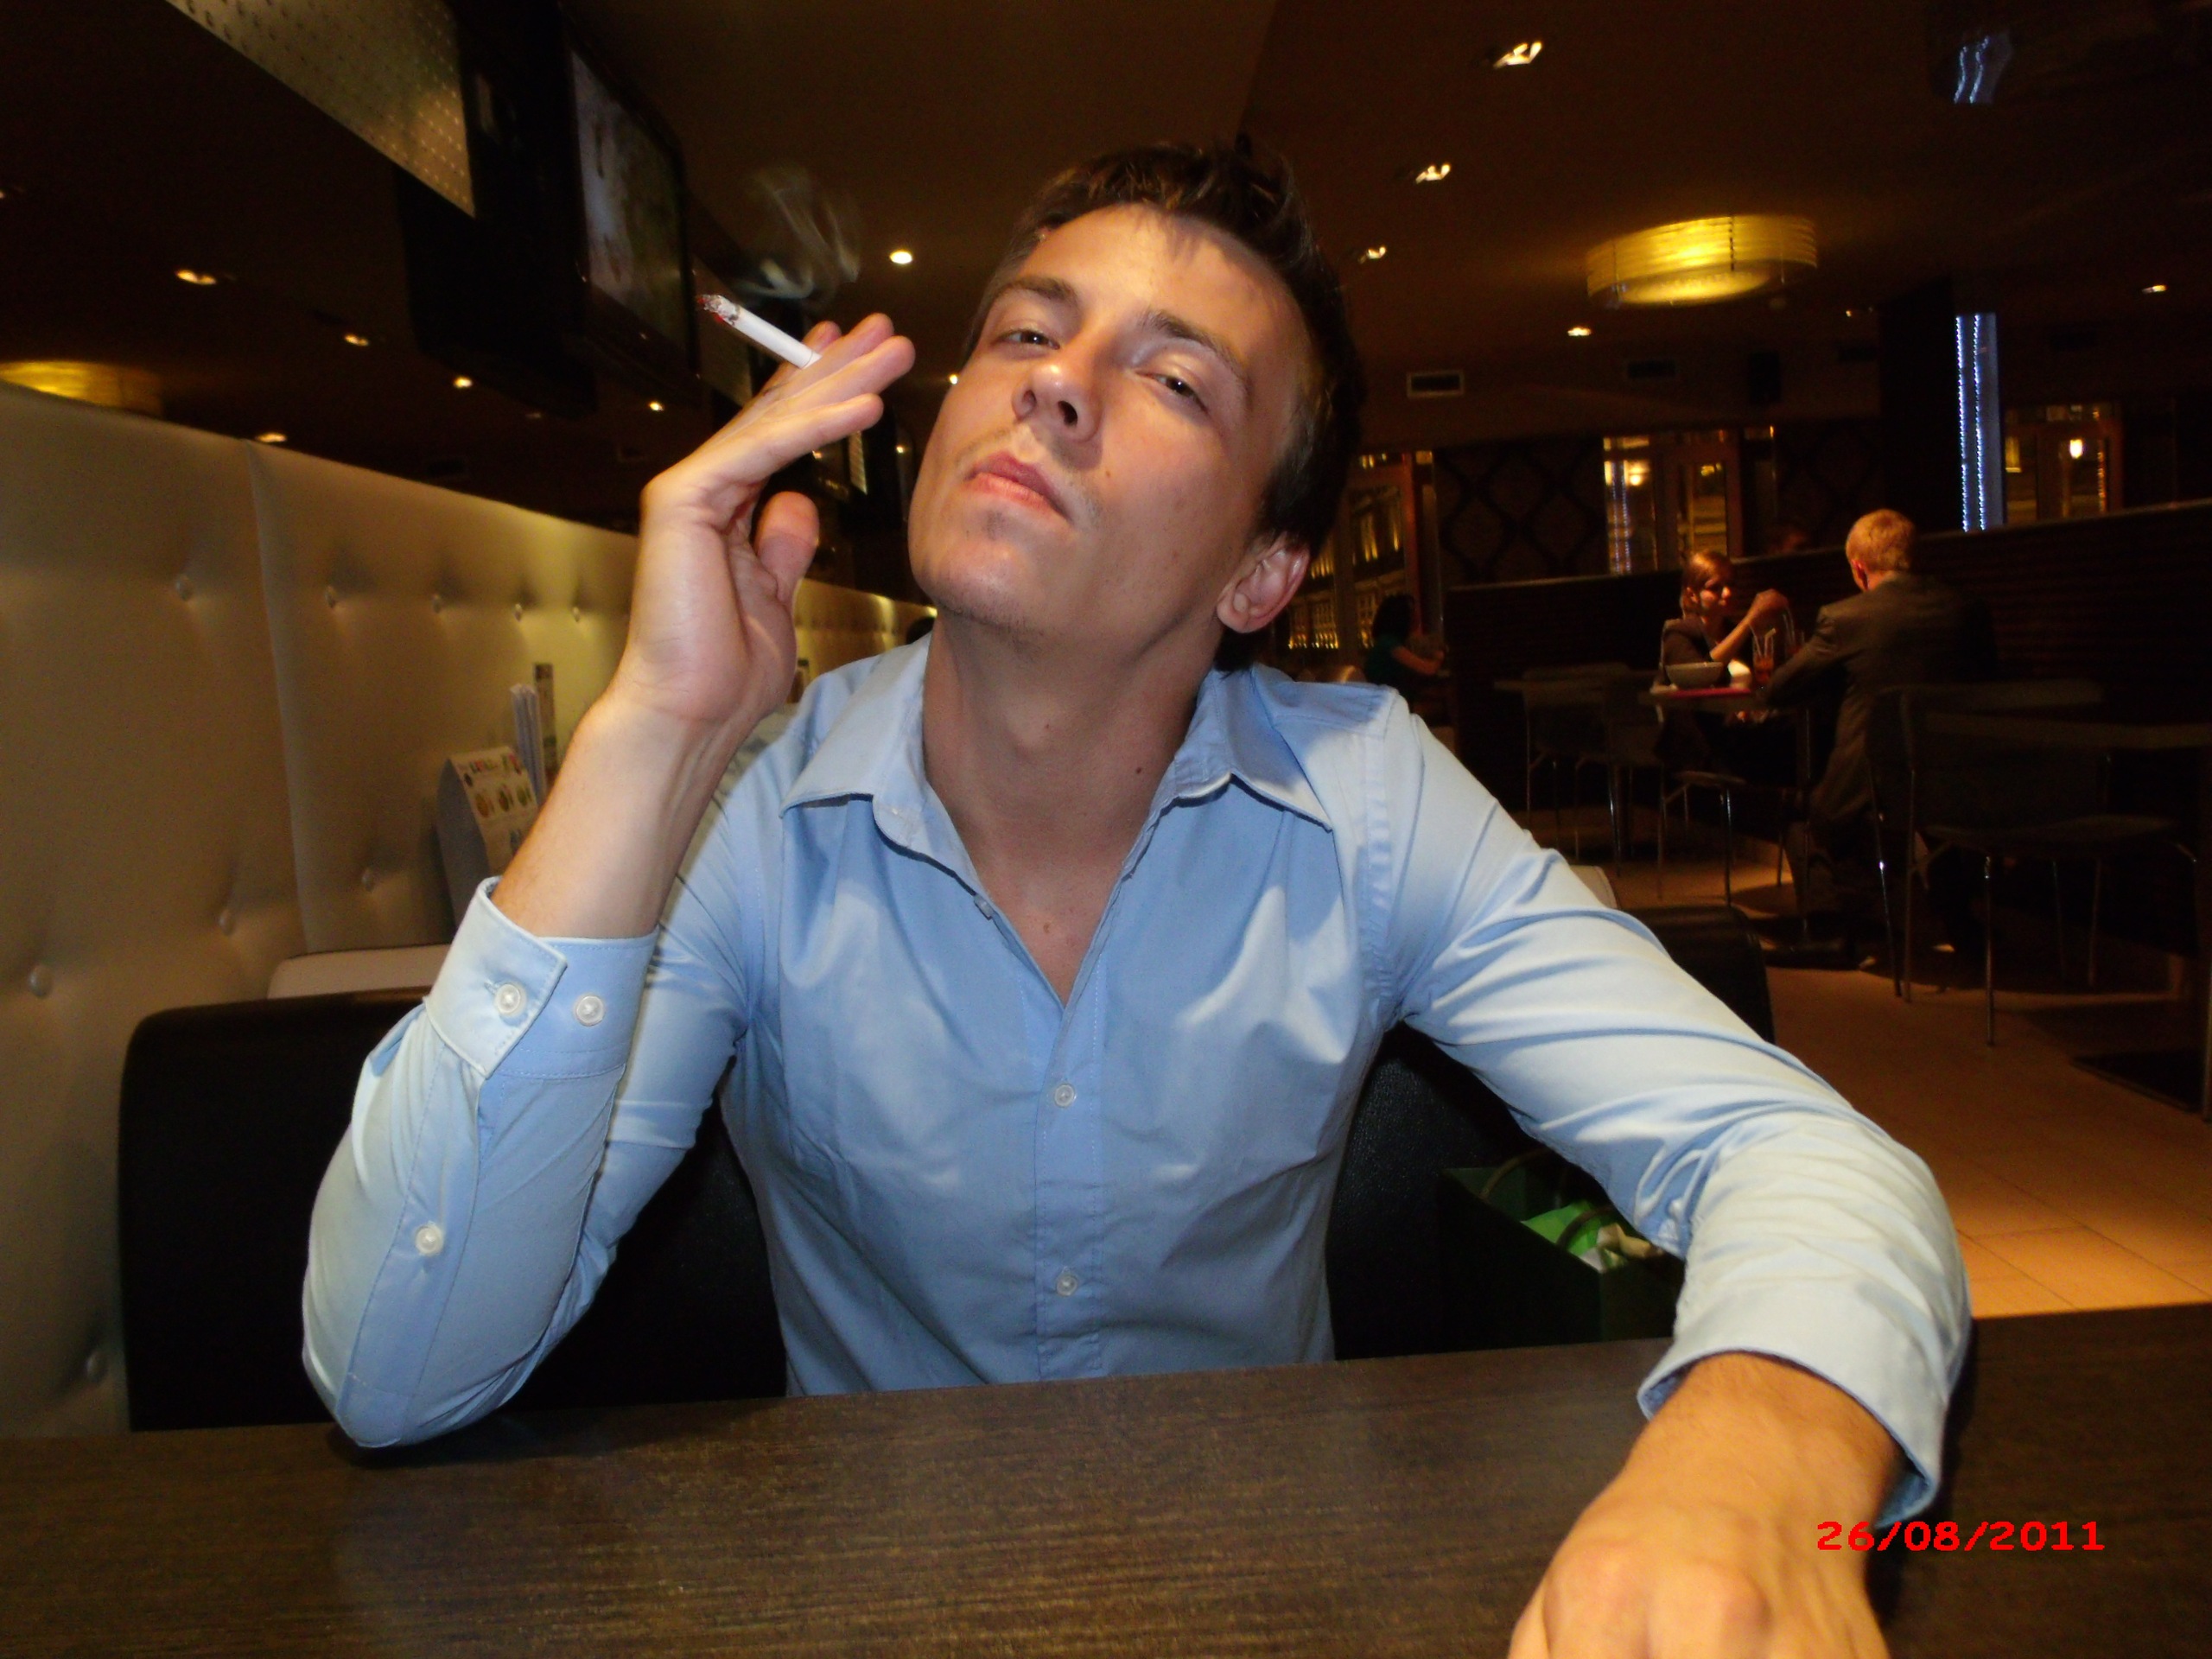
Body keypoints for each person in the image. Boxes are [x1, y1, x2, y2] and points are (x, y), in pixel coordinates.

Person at [304, 144, 1963, 1656]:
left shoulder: (1368, 799)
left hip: (1269, 1597)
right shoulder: (750, 805)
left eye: (1174, 378)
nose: (1055, 384)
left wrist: (1758, 1461)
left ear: (1263, 572)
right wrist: (652, 733)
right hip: (865, 1602)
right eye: (1027, 333)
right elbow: (395, 1372)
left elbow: (1805, 1154)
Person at [1762, 509, 1998, 960]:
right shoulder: (1967, 609)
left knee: (1805, 811)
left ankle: (1835, 934)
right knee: (1931, 816)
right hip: (1959, 778)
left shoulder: (1845, 618)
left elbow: (1779, 689)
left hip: (1875, 783)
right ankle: (1959, 921)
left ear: (1858, 567)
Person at [1657, 550, 1796, 783]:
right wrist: (1750, 619)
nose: (1728, 593)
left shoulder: (1735, 633)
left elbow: (1760, 685)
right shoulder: (1679, 633)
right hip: (1703, 741)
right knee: (1781, 748)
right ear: (1692, 594)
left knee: (1797, 732)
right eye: (1715, 588)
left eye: (1730, 584)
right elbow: (1703, 673)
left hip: (1739, 734)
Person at [1360, 592, 1447, 723]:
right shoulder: (1390, 645)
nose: (1417, 616)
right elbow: (1428, 669)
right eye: (1412, 612)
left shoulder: (1390, 642)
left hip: (1387, 707)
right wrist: (1439, 657)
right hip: (1387, 711)